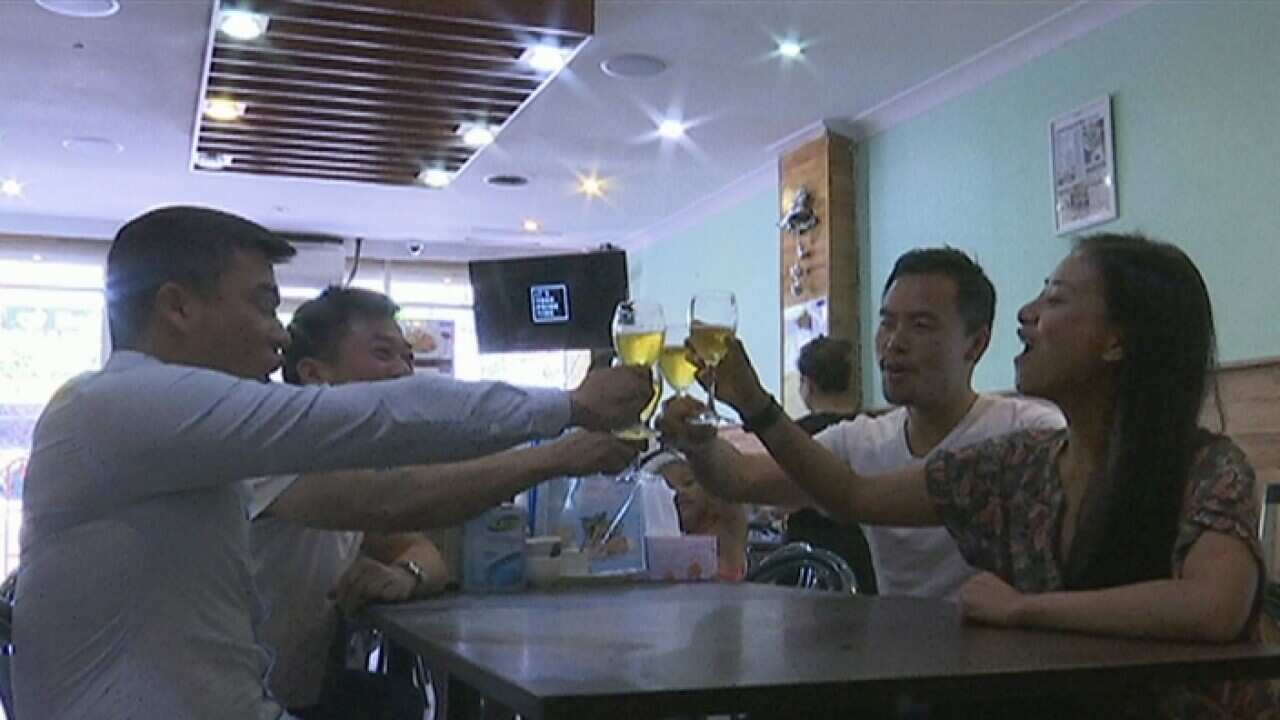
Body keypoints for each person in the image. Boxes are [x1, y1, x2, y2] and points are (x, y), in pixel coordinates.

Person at [12, 206, 651, 720]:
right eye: (263, 304)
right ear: (177, 307)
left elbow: (399, 508)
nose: (279, 335)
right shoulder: (121, 404)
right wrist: (567, 406)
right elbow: (381, 440)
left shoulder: (178, 431)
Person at [665, 233, 1274, 715]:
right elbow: (853, 494)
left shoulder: (1207, 466)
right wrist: (753, 405)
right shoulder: (1022, 464)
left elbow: (1213, 605)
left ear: (1118, 342)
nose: (1028, 315)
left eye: (1055, 300)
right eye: (888, 321)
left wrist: (1024, 609)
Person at [250, 286, 640, 718]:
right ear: (312, 374)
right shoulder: (270, 443)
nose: (403, 373)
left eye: (408, 358)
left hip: (297, 700)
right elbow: (393, 502)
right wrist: (558, 452)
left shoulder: (347, 464)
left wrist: (406, 574)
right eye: (383, 355)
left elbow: (420, 549)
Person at [695, 248, 1064, 599]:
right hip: (896, 649)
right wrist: (694, 439)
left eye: (921, 326)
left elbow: (853, 495)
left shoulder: (1026, 433)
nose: (894, 342)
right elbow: (738, 477)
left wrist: (754, 403)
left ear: (975, 344)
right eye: (887, 323)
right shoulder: (862, 439)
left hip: (1001, 655)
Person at [785, 335, 877, 591]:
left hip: (808, 561)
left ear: (807, 384)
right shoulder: (871, 429)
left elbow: (775, 501)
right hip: (863, 558)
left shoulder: (795, 437)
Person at [643, 450, 747, 581]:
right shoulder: (649, 545)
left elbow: (730, 477)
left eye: (688, 483)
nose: (679, 491)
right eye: (667, 488)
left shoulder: (725, 524)